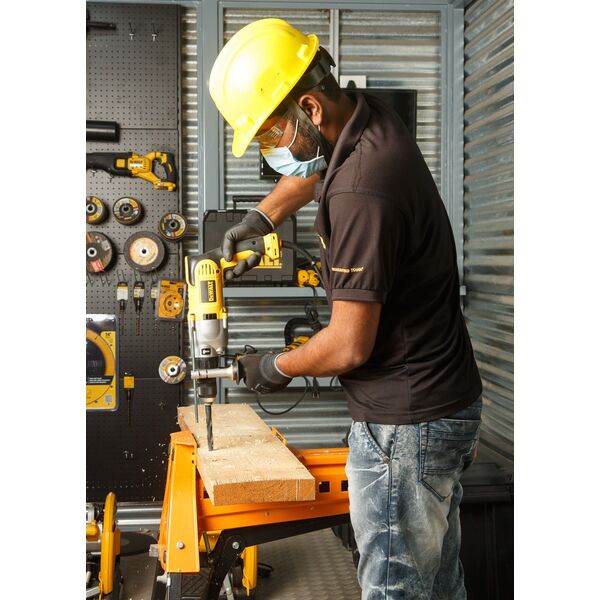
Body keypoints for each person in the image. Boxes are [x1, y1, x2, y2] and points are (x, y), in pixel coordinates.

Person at [208, 18, 483, 600]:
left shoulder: (362, 188)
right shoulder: (366, 117)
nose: (270, 150)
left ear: (310, 106)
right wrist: (259, 219)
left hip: (407, 426)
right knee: (437, 584)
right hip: (442, 400)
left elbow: (349, 344)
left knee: (396, 589)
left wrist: (273, 367)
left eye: (270, 133)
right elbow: (314, 172)